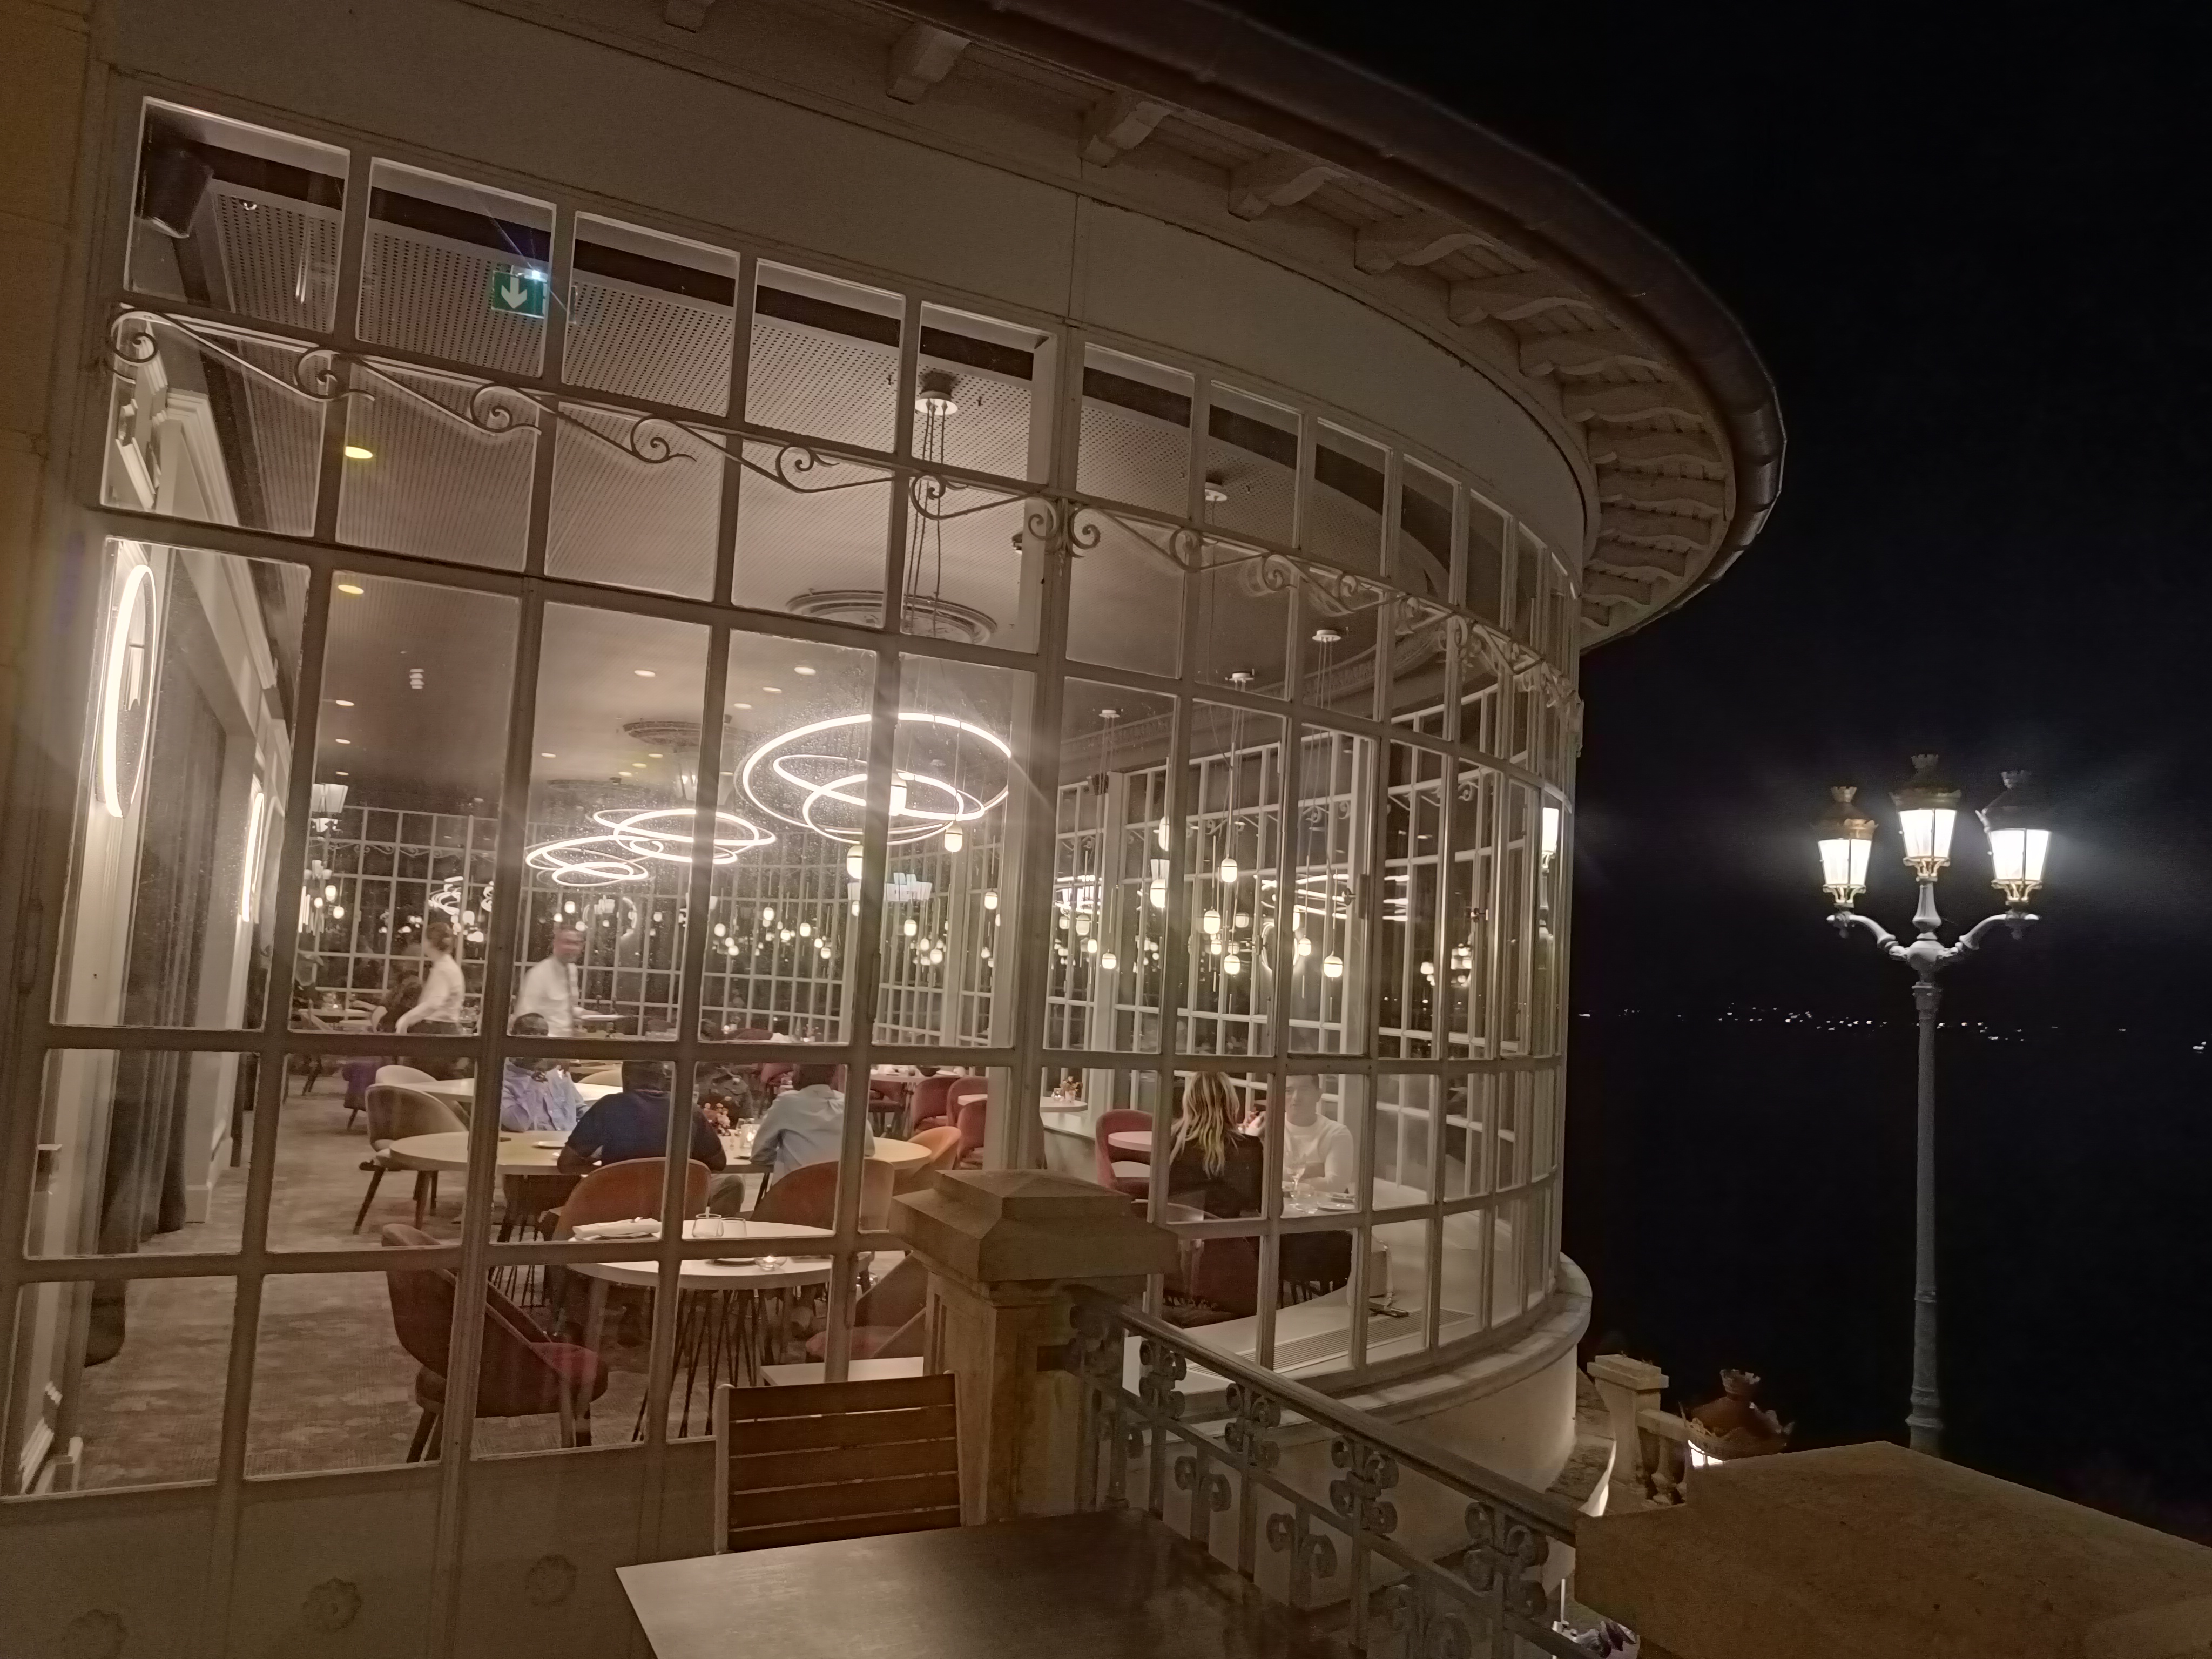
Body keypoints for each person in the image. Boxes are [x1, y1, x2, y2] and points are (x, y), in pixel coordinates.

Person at [558, 1060, 726, 1174]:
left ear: (626, 1079)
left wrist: (602, 1164)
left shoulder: (609, 1106)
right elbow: (719, 1163)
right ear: (663, 1080)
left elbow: (566, 1163)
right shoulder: (688, 1109)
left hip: (616, 1205)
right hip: (672, 1206)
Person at [752, 1062, 871, 1184]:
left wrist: (785, 1159)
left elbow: (759, 1155)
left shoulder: (786, 1103)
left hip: (796, 1190)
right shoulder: (850, 1104)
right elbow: (867, 1151)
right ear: (835, 1076)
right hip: (841, 1192)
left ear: (799, 1073)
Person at [1166, 1070, 1263, 1218]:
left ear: (1189, 1102)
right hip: (1229, 1231)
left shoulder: (1173, 1141)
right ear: (1231, 1103)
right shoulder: (1248, 1148)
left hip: (1177, 1228)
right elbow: (1271, 1206)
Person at [498, 1013, 582, 1133]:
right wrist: (539, 1075)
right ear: (513, 1036)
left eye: (543, 1034)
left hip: (569, 1141)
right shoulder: (499, 1077)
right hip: (529, 1143)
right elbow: (518, 1124)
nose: (538, 1039)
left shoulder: (556, 1070)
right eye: (529, 1033)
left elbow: (579, 1108)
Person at [1279, 1075, 1354, 1191]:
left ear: (1318, 1095)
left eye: (1304, 1090)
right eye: (1289, 1091)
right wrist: (1310, 1170)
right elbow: (1261, 1178)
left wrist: (1286, 1177)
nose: (1296, 1097)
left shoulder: (1337, 1133)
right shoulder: (1270, 1126)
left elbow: (1335, 1186)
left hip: (1320, 1203)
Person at [393, 921, 464, 1035]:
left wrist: (406, 1020)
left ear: (429, 943)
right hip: (445, 1028)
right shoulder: (448, 966)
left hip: (438, 1029)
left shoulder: (443, 969)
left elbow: (434, 1003)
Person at [514, 927, 583, 1037]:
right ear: (555, 944)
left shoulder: (572, 970)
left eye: (576, 943)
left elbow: (564, 1008)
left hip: (568, 1042)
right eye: (567, 942)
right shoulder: (538, 973)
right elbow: (524, 1019)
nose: (572, 948)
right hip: (548, 1042)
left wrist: (586, 1014)